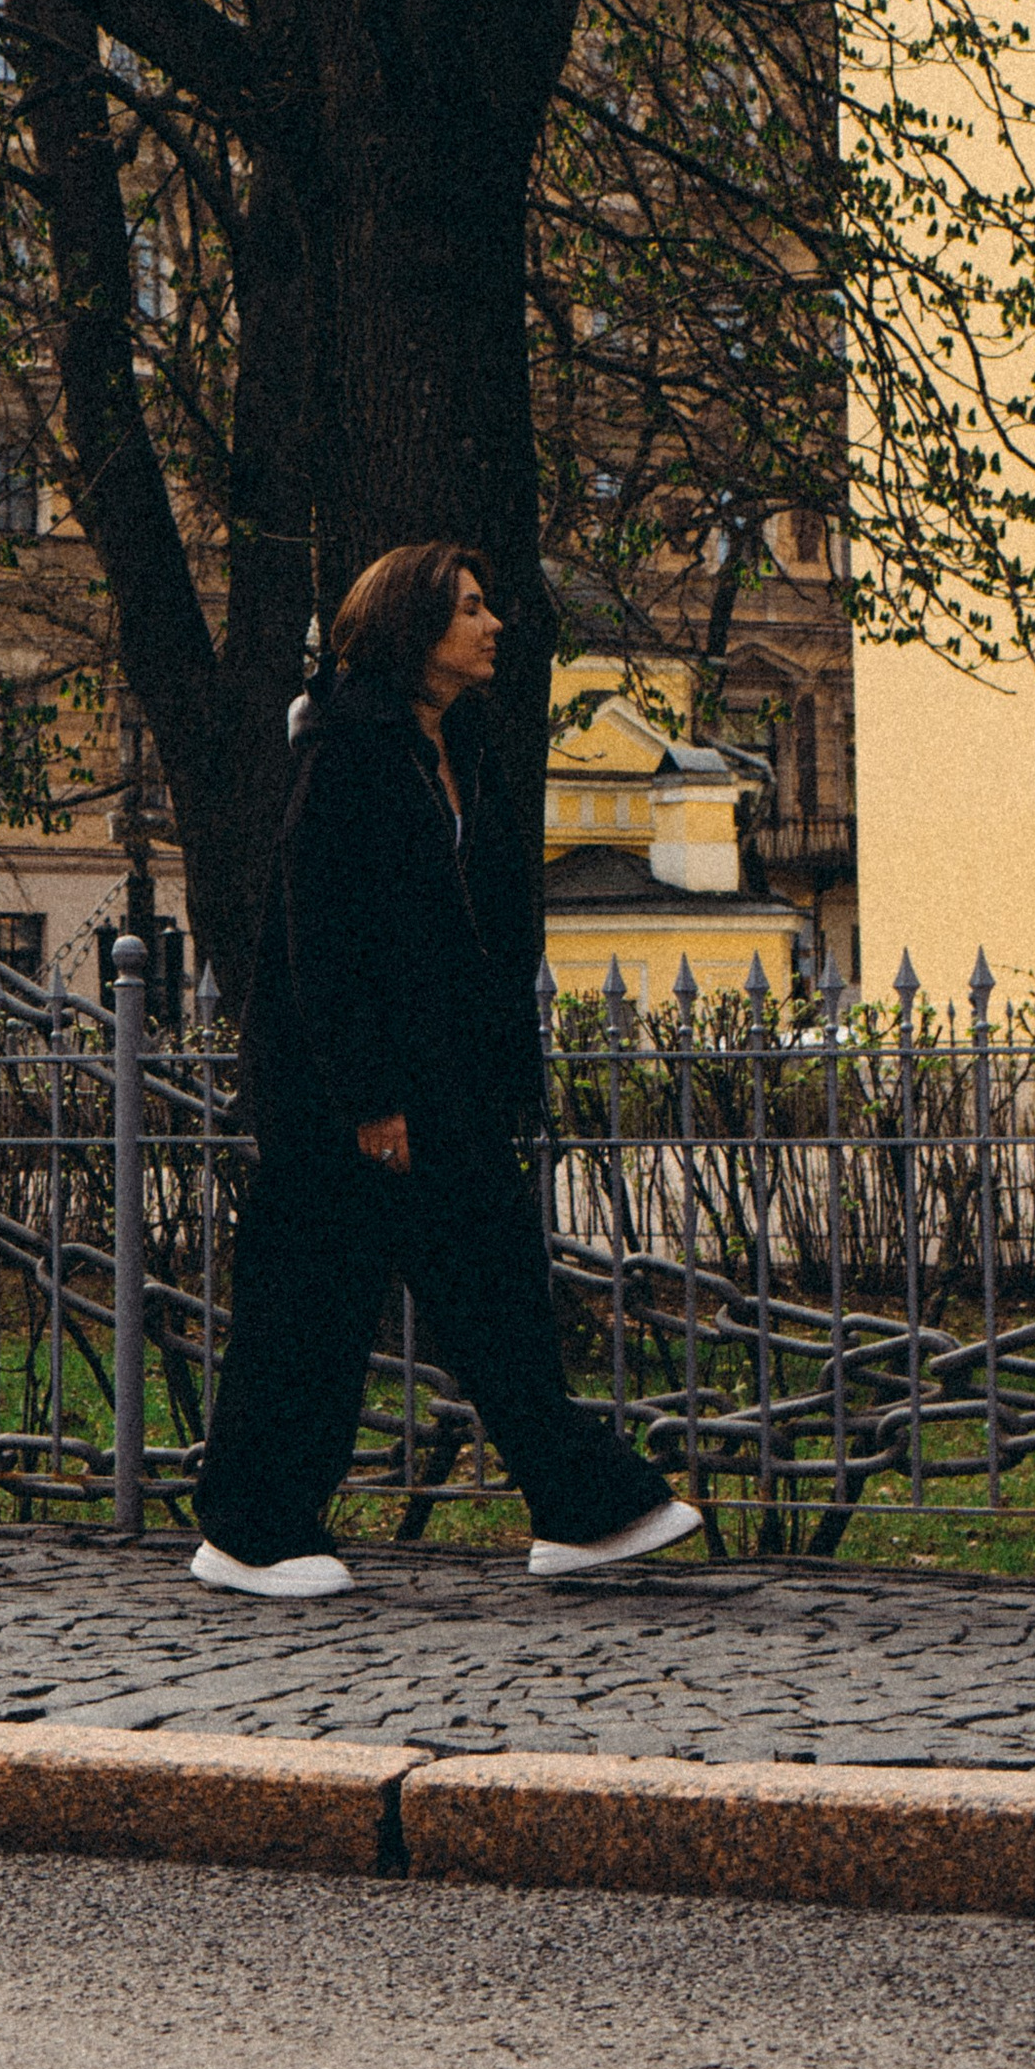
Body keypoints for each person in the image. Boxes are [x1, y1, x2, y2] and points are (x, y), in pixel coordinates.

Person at [190, 539, 701, 1598]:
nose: (493, 625)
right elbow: (322, 939)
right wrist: (368, 1097)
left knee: (496, 1297)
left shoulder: (460, 746)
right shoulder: (348, 750)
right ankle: (248, 1534)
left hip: (449, 1084)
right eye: (470, 609)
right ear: (415, 629)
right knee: (309, 1309)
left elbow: (486, 927)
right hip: (349, 1098)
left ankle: (584, 1508)